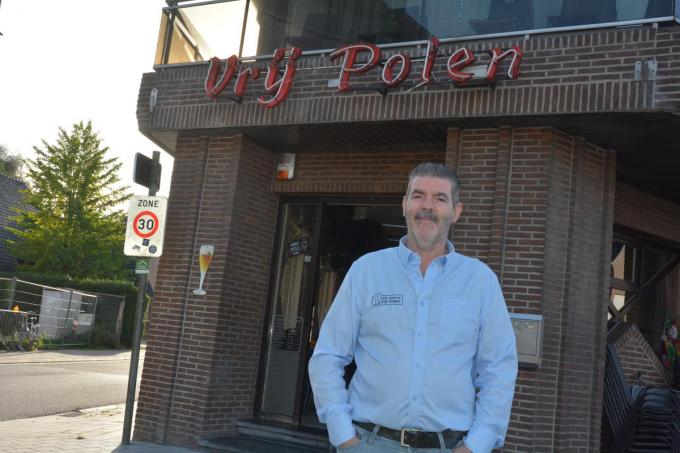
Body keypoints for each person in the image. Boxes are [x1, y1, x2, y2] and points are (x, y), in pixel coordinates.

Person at [308, 162, 517, 453]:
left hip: (449, 446)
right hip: (368, 443)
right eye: (418, 195)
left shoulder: (480, 281)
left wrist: (477, 444)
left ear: (456, 211)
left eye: (440, 198)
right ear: (405, 204)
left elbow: (499, 369)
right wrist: (344, 437)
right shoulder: (366, 271)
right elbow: (328, 356)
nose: (427, 206)